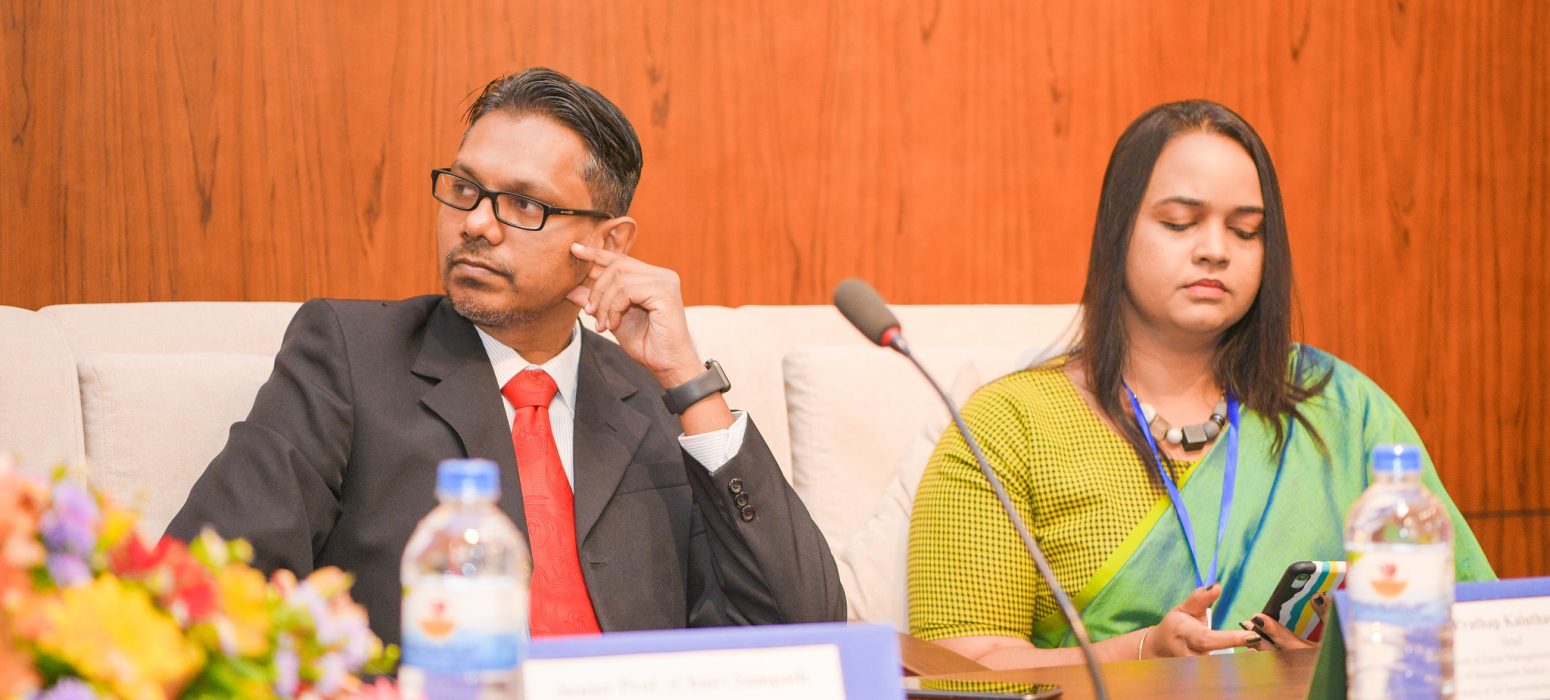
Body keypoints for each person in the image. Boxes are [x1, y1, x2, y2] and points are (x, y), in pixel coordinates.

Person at [167, 67, 845, 647]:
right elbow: (206, 588)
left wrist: (689, 383)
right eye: (464, 189)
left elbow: (806, 629)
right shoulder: (350, 356)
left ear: (609, 243)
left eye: (523, 204)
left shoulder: (653, 400)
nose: (476, 224)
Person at [906, 100, 1494, 669]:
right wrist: (1143, 654)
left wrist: (1337, 661)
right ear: (1116, 232)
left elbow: (1475, 627)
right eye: (1180, 223)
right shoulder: (1007, 427)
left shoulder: (1338, 407)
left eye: (1245, 231)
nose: (1215, 251)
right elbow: (960, 671)